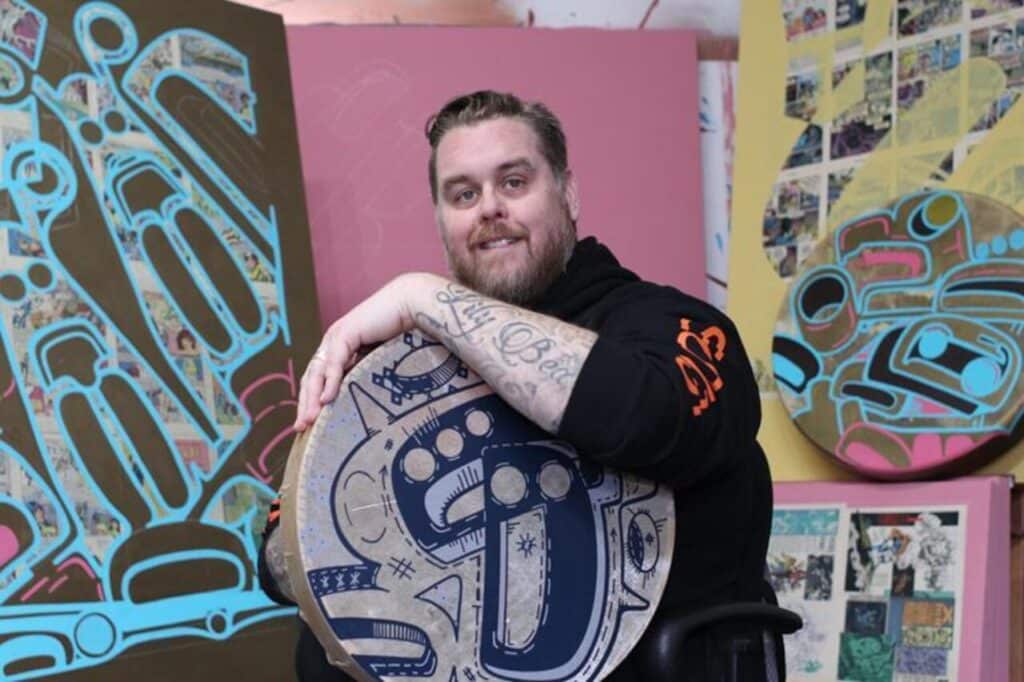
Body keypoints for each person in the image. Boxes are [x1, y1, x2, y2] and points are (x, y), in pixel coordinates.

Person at [259, 90, 774, 681]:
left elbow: (645, 415)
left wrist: (425, 297)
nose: (489, 209)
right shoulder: (404, 369)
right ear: (441, 220)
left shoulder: (676, 326)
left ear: (569, 193)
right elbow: (279, 559)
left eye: (513, 182)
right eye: (463, 194)